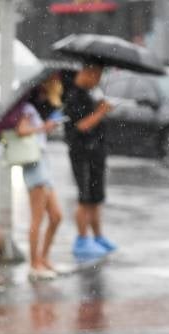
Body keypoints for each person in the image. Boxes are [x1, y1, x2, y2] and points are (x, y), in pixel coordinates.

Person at [12, 76, 66, 281]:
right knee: (38, 218)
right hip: (34, 165)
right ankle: (34, 264)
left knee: (56, 216)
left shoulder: (37, 107)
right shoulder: (27, 108)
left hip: (43, 162)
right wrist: (44, 127)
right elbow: (21, 130)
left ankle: (43, 258)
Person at [62, 61, 115, 262]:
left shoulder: (90, 93)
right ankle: (82, 239)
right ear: (88, 73)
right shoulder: (73, 94)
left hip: (96, 151)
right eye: (97, 76)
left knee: (95, 198)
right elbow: (81, 126)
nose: (98, 81)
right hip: (82, 152)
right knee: (84, 197)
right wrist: (101, 112)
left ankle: (98, 237)